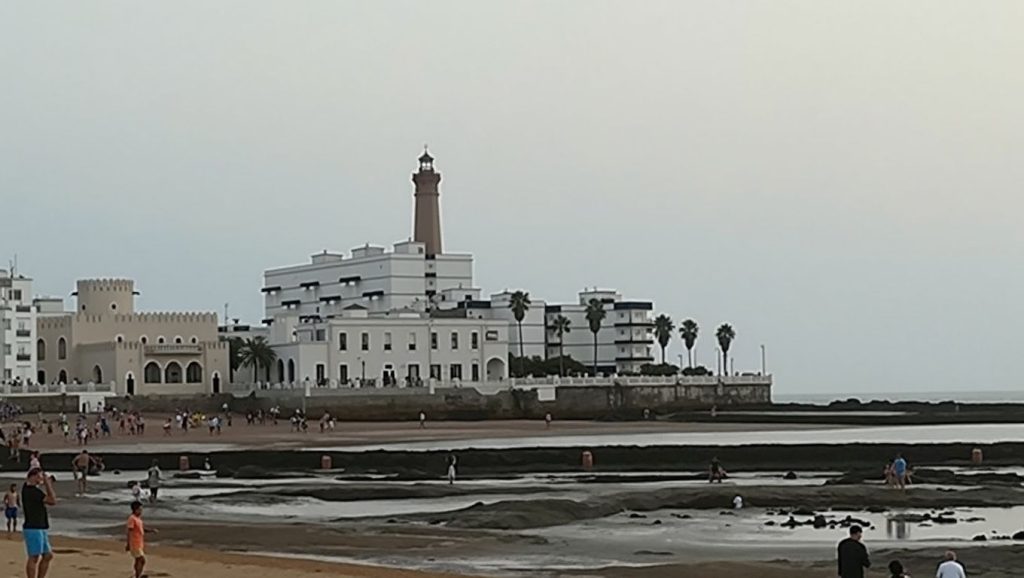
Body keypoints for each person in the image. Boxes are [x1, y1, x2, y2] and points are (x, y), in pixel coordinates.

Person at [23, 467, 57, 578]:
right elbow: (52, 500)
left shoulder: (31, 489)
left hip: (40, 526)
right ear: (33, 477)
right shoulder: (32, 491)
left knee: (47, 555)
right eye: (39, 476)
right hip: (33, 527)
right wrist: (48, 484)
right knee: (34, 556)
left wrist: (44, 480)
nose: (41, 478)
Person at [126, 500, 153, 578]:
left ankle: (137, 574)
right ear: (135, 510)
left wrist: (151, 530)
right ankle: (138, 575)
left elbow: (141, 529)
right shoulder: (132, 518)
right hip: (134, 543)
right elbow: (129, 532)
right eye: (140, 509)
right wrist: (128, 544)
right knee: (141, 560)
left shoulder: (138, 519)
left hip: (139, 542)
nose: (141, 511)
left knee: (138, 560)